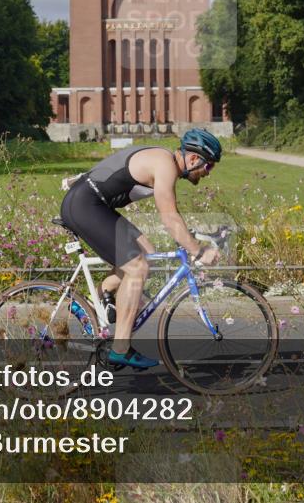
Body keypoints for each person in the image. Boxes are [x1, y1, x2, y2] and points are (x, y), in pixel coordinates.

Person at [59, 129, 222, 369]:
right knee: (137, 268)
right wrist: (198, 251)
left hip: (92, 204)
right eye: (208, 167)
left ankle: (92, 304)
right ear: (194, 159)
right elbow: (169, 218)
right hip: (85, 205)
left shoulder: (163, 160)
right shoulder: (164, 165)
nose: (207, 174)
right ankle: (120, 349)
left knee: (148, 253)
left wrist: (188, 239)